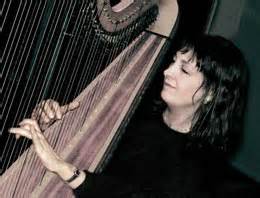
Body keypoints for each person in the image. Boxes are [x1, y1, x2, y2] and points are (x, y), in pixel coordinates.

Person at [9, 34, 247, 197]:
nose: (166, 71)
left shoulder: (202, 169)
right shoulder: (129, 111)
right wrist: (51, 124)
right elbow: (79, 155)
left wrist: (67, 171)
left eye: (184, 70)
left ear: (210, 94)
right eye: (174, 61)